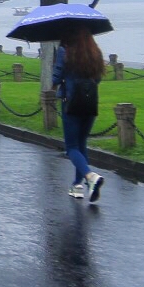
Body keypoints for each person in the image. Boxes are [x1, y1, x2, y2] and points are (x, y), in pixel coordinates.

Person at [53, 30, 107, 202]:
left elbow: (56, 77)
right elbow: (98, 78)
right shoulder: (95, 53)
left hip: (71, 103)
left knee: (72, 147)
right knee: (82, 143)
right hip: (90, 103)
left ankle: (90, 177)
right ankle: (78, 185)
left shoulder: (65, 51)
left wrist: (56, 84)